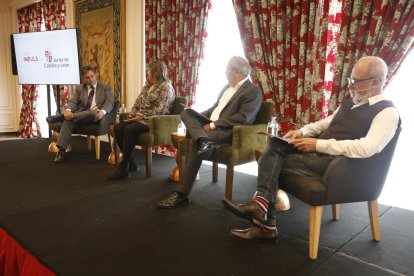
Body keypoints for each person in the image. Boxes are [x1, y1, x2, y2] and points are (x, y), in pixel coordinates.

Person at [221, 56, 400, 240]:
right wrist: (301, 131)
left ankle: (264, 221)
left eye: (356, 81)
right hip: (319, 154)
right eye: (350, 80)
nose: (350, 86)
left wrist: (317, 144)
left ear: (375, 82)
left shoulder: (387, 113)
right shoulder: (349, 103)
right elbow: (324, 124)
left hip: (337, 166)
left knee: (271, 164)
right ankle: (262, 212)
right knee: (275, 144)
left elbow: (367, 148)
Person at [158, 56, 263, 208]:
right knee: (186, 112)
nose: (225, 72)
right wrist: (197, 116)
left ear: (237, 71)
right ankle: (204, 140)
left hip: (227, 131)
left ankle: (182, 194)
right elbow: (215, 108)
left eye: (228, 69)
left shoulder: (253, 91)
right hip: (211, 125)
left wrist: (213, 125)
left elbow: (244, 118)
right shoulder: (226, 87)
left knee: (196, 144)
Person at [107, 59, 175, 180]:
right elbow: (137, 104)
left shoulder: (166, 87)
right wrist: (133, 115)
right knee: (118, 127)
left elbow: (161, 110)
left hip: (153, 121)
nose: (147, 73)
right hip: (139, 118)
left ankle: (124, 167)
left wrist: (143, 116)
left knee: (129, 129)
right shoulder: (147, 86)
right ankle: (131, 163)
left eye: (148, 71)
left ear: (156, 72)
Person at [47, 65, 114, 163]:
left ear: (95, 75)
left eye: (92, 76)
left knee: (92, 113)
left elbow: (110, 102)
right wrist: (68, 110)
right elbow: (73, 101)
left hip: (96, 116)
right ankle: (61, 152)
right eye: (87, 77)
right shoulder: (80, 88)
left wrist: (103, 112)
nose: (90, 79)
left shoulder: (105, 87)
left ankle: (61, 116)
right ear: (83, 78)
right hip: (81, 116)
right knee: (68, 120)